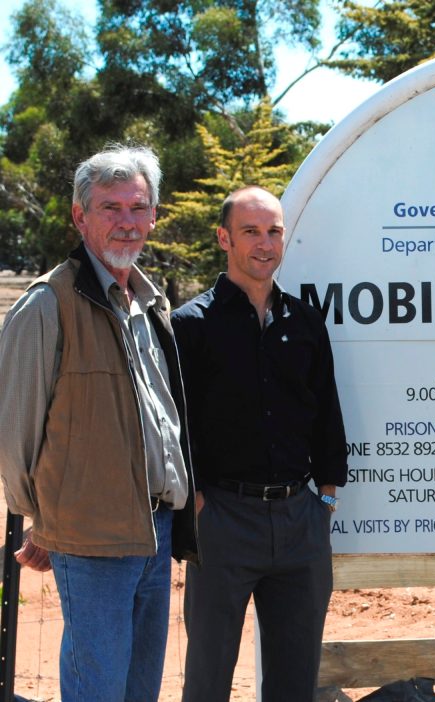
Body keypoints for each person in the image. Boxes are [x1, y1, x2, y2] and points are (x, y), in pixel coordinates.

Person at [0, 145, 199, 702]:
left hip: (154, 532)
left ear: (154, 217)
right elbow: (15, 437)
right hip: (90, 540)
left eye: (138, 208)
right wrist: (48, 520)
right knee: (98, 690)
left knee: (139, 689)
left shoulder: (148, 302)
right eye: (110, 208)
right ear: (79, 216)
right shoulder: (47, 304)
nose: (126, 222)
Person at [172, 185, 347, 702]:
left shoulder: (306, 321)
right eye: (251, 231)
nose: (264, 243)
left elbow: (327, 414)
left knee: (295, 682)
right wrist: (199, 504)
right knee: (208, 679)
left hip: (301, 523)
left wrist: (327, 498)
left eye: (273, 231)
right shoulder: (189, 325)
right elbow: (175, 427)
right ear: (224, 238)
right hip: (222, 520)